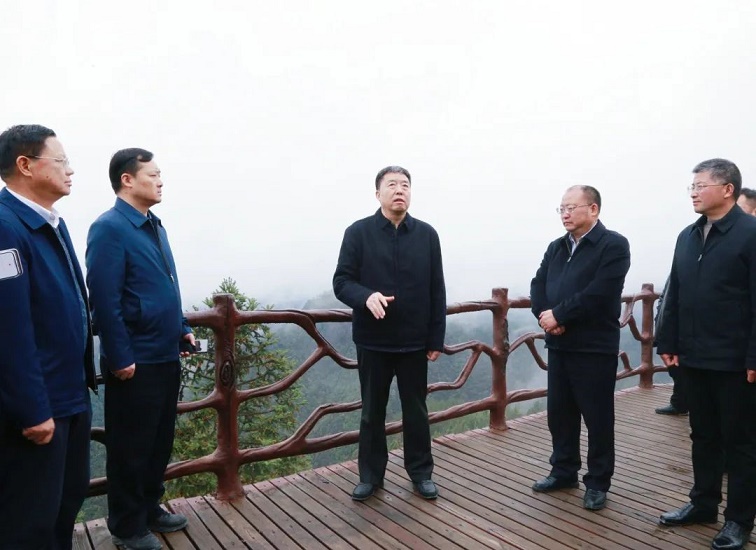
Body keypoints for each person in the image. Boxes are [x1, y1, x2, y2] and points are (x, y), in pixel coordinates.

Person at [86, 148, 195, 550]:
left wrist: (182, 328)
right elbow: (104, 299)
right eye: (153, 174)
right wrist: (119, 355)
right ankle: (127, 526)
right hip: (135, 359)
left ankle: (150, 507)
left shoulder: (154, 225)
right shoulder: (109, 228)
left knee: (158, 441)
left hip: (164, 353)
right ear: (127, 180)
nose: (160, 180)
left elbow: (167, 286)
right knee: (130, 447)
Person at [0, 124, 96, 549]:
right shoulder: (6, 228)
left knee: (64, 504)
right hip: (40, 406)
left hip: (70, 394)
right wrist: (32, 409)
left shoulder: (52, 223)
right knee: (30, 519)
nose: (70, 170)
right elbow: (9, 327)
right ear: (25, 165)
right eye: (61, 161)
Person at [657, 158, 756, 550]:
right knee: (703, 436)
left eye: (700, 185)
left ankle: (739, 521)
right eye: (692, 186)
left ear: (727, 189)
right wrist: (667, 341)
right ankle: (703, 504)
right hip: (693, 357)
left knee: (741, 443)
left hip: (735, 362)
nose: (694, 193)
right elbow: (676, 292)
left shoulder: (750, 234)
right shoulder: (688, 235)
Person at [333, 165, 446, 502]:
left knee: (416, 411)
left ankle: (421, 473)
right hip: (373, 340)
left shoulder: (427, 235)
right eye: (392, 184)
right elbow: (342, 282)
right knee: (372, 412)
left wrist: (435, 338)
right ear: (377, 193)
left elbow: (437, 289)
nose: (400, 190)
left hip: (414, 341)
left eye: (405, 185)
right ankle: (370, 476)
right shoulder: (358, 233)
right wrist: (366, 296)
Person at [529, 185, 630, 511]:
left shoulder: (613, 245)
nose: (565, 214)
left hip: (593, 347)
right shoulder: (556, 247)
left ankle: (598, 482)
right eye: (562, 208)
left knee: (597, 418)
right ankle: (563, 471)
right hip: (559, 344)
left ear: (594, 209)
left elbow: (601, 292)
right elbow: (537, 285)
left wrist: (560, 315)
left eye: (571, 207)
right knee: (560, 414)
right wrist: (546, 317)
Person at [653, 275, 688, 415]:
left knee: (680, 367)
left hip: (679, 327)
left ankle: (680, 403)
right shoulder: (678, 268)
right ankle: (679, 403)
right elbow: (665, 296)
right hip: (669, 324)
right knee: (676, 368)